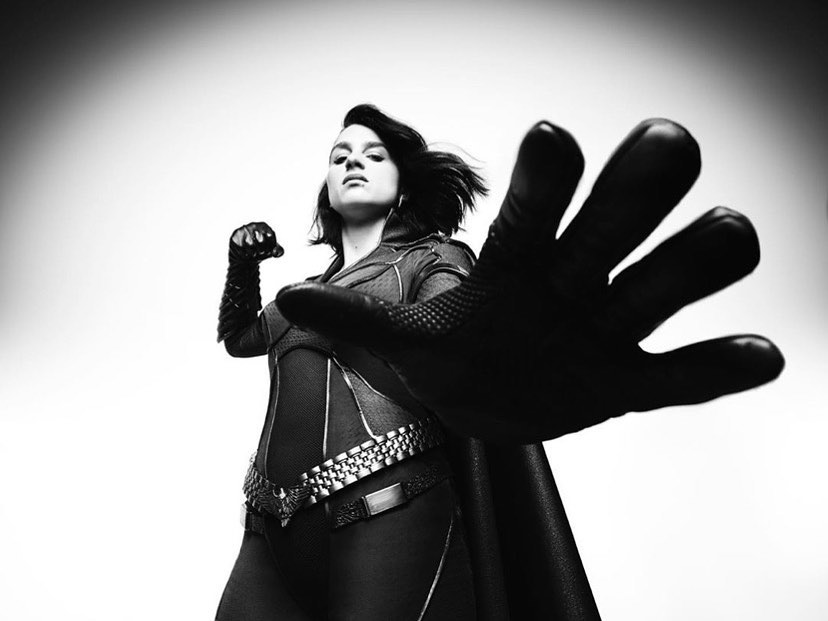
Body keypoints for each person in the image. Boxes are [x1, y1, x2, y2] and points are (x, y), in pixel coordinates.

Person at [216, 104, 784, 620]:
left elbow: (458, 322)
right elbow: (241, 337)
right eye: (339, 156)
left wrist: (469, 345)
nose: (352, 162)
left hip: (388, 511)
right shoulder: (302, 296)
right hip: (269, 525)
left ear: (405, 185)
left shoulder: (431, 259)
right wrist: (242, 265)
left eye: (374, 154)